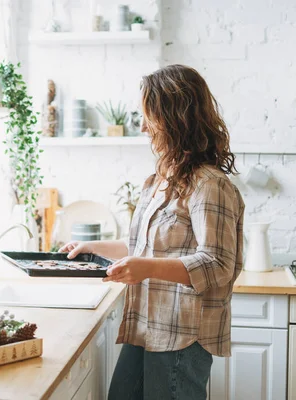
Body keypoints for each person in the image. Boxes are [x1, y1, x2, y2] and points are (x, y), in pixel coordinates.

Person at [61, 64, 245, 400]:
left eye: (149, 116)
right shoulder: (160, 180)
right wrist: (91, 246)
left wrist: (145, 268)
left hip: (182, 335)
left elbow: (218, 263)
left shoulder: (209, 184)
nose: (143, 127)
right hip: (146, 325)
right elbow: (144, 246)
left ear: (176, 117)